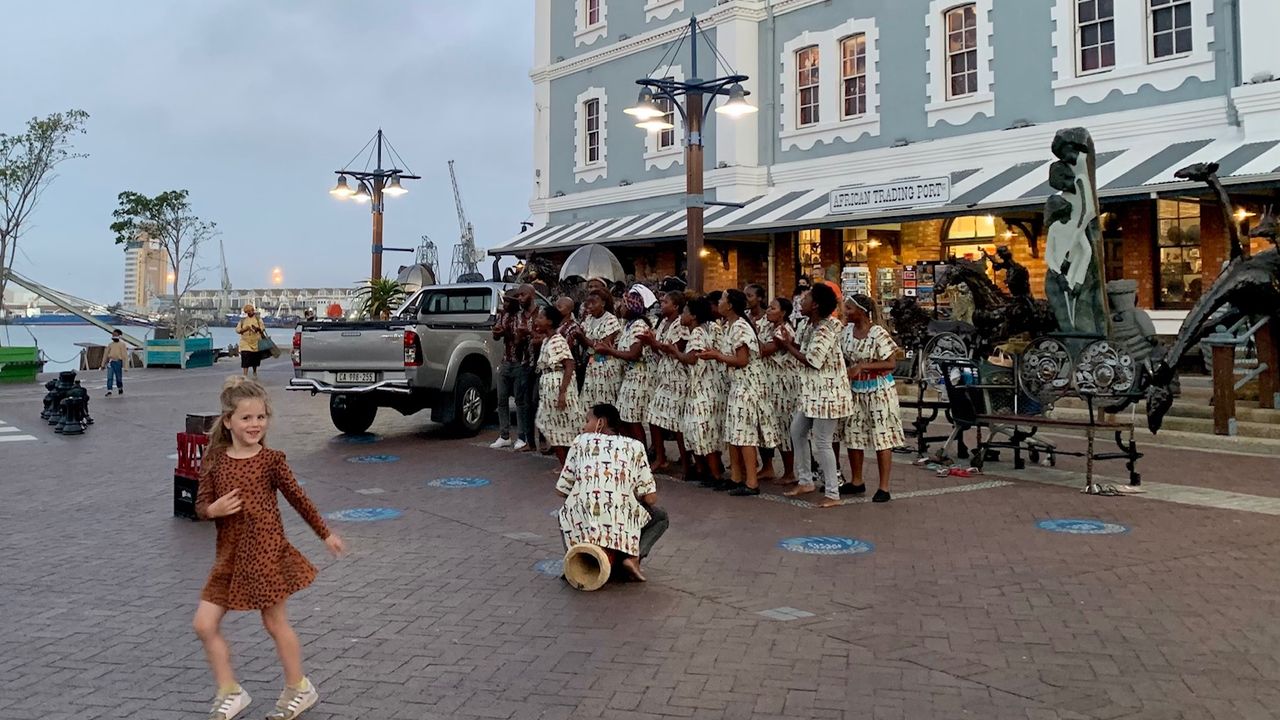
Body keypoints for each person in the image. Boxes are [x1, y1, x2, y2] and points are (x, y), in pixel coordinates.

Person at [193, 377, 345, 720]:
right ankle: (230, 691)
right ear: (228, 420)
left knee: (275, 622)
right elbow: (201, 505)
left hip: (266, 552)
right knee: (204, 624)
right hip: (228, 556)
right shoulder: (215, 458)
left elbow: (298, 499)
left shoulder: (270, 460)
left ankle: (299, 687)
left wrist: (325, 534)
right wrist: (211, 511)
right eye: (246, 418)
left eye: (260, 417)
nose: (254, 424)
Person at [556, 403, 668, 582]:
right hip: (619, 518)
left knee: (565, 512)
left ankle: (575, 558)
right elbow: (651, 498)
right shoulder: (636, 446)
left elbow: (561, 491)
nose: (583, 426)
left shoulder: (580, 441)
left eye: (587, 421)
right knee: (660, 517)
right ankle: (633, 558)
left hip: (584, 519)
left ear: (600, 423)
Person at [775, 283, 854, 508]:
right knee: (797, 432)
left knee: (822, 442)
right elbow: (804, 348)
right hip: (812, 394)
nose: (801, 300)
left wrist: (787, 346)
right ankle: (805, 480)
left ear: (816, 304)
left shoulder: (827, 328)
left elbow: (813, 360)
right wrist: (791, 343)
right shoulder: (809, 325)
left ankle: (832, 492)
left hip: (828, 394)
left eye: (807, 297)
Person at [699, 289, 767, 496]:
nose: (718, 303)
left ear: (729, 305)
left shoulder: (739, 327)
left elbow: (742, 360)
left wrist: (717, 356)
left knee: (745, 434)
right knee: (734, 433)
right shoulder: (729, 326)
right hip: (737, 385)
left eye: (722, 299)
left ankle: (752, 482)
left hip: (747, 386)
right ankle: (737, 476)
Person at [838, 294, 904, 502]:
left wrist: (863, 366)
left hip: (878, 389)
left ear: (862, 312)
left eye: (849, 309)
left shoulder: (877, 333)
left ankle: (884, 486)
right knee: (853, 433)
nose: (845, 313)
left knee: (881, 435)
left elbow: (891, 363)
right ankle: (857, 480)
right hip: (856, 388)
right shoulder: (846, 332)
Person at [674, 295, 726, 487]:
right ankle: (707, 470)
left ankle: (713, 475)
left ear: (693, 316)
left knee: (701, 431)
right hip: (715, 386)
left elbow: (692, 358)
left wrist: (674, 352)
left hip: (702, 388)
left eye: (685, 311)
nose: (682, 314)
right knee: (708, 430)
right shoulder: (712, 327)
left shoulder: (696, 332)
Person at [639, 291, 689, 474]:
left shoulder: (680, 323)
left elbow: (678, 349)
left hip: (678, 377)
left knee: (677, 424)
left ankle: (685, 462)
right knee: (653, 417)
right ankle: (661, 457)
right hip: (663, 376)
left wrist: (654, 342)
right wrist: (651, 342)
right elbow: (660, 350)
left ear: (676, 306)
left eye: (665, 301)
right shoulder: (662, 323)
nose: (662, 303)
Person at [597, 287, 653, 444]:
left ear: (630, 307)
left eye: (622, 305)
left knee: (632, 419)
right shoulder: (628, 325)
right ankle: (631, 450)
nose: (619, 308)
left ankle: (641, 454)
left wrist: (609, 351)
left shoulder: (639, 326)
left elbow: (634, 354)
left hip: (638, 375)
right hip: (628, 376)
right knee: (623, 417)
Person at [534, 304, 583, 466]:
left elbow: (569, 364)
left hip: (557, 386)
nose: (537, 320)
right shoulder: (547, 340)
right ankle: (566, 465)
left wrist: (562, 393)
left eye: (541, 317)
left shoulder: (557, 340)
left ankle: (568, 466)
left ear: (549, 322)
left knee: (561, 427)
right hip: (549, 386)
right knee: (553, 427)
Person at [757, 298, 798, 484]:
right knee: (764, 426)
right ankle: (767, 466)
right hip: (765, 382)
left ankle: (789, 472)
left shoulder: (785, 330)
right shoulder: (765, 326)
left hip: (782, 385)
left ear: (782, 313)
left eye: (773, 308)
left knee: (783, 428)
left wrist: (749, 341)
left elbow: (765, 350)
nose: (768, 310)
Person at [490, 287, 536, 450]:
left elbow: (520, 341)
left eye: (509, 301)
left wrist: (507, 333)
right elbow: (496, 336)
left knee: (520, 401)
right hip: (505, 361)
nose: (505, 304)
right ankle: (504, 435)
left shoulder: (522, 317)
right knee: (501, 400)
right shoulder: (503, 315)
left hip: (520, 362)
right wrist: (497, 332)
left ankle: (521, 436)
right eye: (505, 301)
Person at [577, 288, 625, 409]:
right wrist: (580, 337)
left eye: (594, 303)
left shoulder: (611, 320)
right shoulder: (588, 319)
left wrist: (582, 336)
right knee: (589, 403)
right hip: (592, 363)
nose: (590, 306)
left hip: (606, 365)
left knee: (604, 403)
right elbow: (586, 345)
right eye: (589, 303)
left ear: (603, 303)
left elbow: (602, 347)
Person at [235, 304, 267, 378]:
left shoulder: (258, 319)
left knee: (254, 359)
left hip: (256, 341)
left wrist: (257, 329)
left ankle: (254, 371)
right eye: (249, 312)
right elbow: (237, 330)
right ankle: (245, 375)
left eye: (252, 311)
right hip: (245, 341)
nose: (251, 313)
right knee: (245, 356)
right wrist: (244, 329)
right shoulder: (243, 320)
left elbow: (262, 328)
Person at [103, 328, 128, 397]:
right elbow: (105, 354)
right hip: (110, 362)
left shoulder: (122, 345)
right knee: (109, 377)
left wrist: (126, 367)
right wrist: (103, 364)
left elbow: (125, 356)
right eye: (113, 335)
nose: (113, 336)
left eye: (115, 335)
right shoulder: (110, 345)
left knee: (118, 377)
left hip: (118, 362)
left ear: (119, 336)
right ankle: (109, 390)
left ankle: (120, 388)